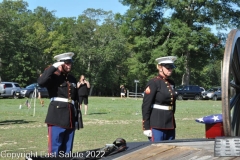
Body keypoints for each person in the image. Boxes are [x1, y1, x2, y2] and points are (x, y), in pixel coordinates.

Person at [37, 52, 83, 156]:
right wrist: (54, 67)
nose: (69, 65)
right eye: (66, 63)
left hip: (70, 117)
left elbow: (75, 99)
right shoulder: (53, 77)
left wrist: (76, 118)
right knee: (55, 148)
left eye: (70, 63)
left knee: (67, 149)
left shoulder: (72, 79)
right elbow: (41, 82)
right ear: (60, 64)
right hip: (56, 116)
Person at [141, 56, 177, 142]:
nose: (170, 70)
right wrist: (146, 127)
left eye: (171, 68)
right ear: (160, 67)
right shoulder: (154, 82)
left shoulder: (172, 83)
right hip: (157, 123)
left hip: (170, 123)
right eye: (168, 68)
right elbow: (146, 105)